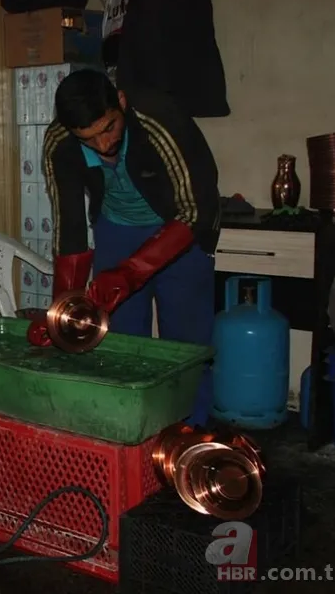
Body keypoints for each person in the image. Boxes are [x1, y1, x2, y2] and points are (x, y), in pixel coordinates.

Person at [32, 69, 221, 422]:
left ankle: (191, 438)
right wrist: (60, 313)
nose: (104, 145)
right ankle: (129, 435)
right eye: (89, 139)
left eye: (108, 128)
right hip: (116, 230)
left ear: (120, 102)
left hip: (179, 229)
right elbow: (70, 228)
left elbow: (198, 208)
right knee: (118, 348)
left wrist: (132, 272)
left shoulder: (160, 118)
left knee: (186, 349)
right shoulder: (61, 142)